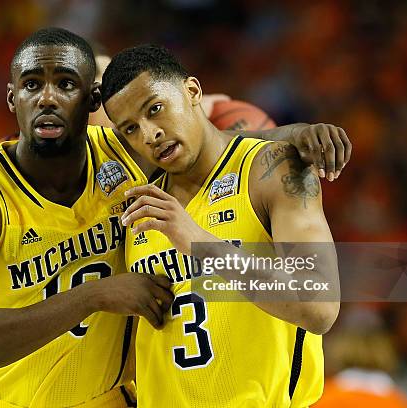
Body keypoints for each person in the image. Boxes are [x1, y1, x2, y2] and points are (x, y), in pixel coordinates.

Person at [0, 28, 350, 407]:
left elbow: (221, 146)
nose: (47, 98)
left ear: (90, 102)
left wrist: (296, 134)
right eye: (32, 85)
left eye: (66, 85)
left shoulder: (129, 161)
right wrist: (97, 295)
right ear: (11, 97)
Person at [101, 44, 342, 407]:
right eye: (132, 128)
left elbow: (319, 306)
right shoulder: (139, 205)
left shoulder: (270, 169)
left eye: (155, 109)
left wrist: (200, 242)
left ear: (193, 91)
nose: (149, 135)